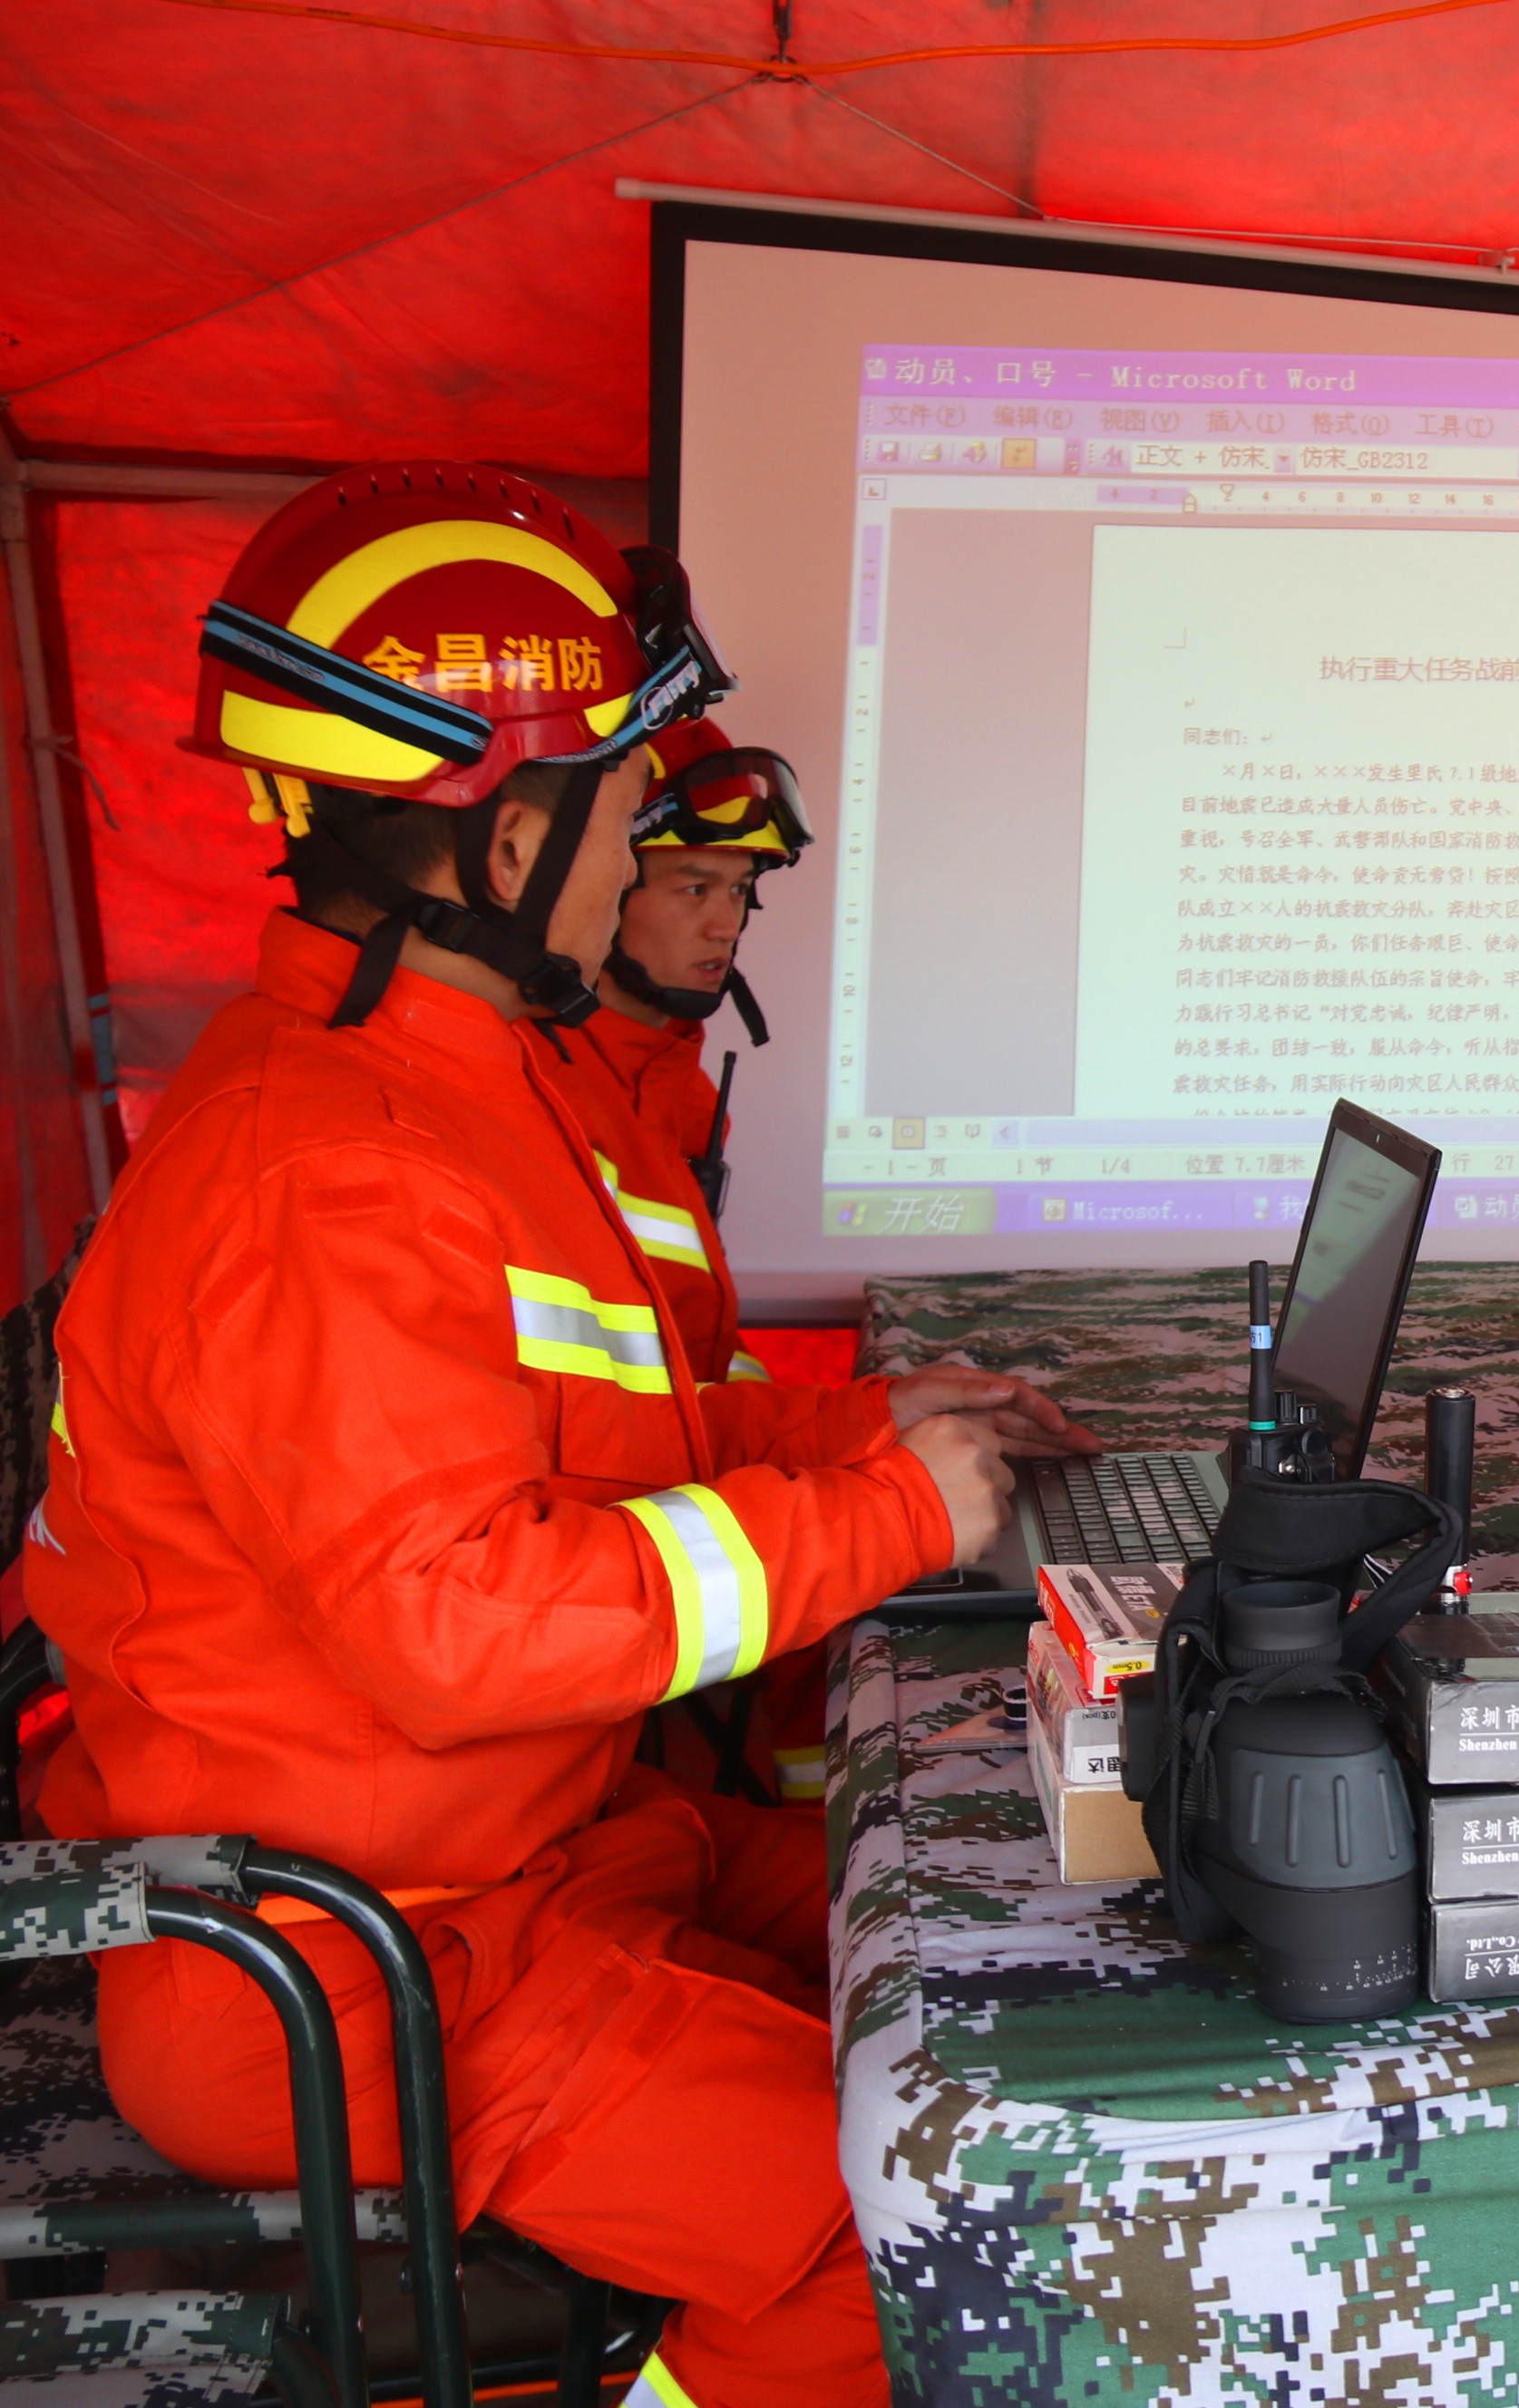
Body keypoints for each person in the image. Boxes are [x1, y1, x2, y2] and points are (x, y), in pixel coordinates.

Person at [33, 463, 1090, 2408]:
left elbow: (606, 1436)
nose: (636, 874)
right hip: (361, 1967)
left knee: (1031, 1913)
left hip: (539, 1860)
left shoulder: (440, 1088)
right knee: (930, 2231)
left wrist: (880, 1422)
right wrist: (875, 1516)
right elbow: (454, 1625)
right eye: (624, 821)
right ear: (506, 836)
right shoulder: (328, 1167)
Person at [548, 722, 831, 1809]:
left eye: (743, 892)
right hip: (627, 1605)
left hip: (680, 1553)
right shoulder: (553, 1093)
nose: (727, 924)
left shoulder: (662, 1081)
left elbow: (694, 1365)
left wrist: (855, 1427)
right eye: (693, 887)